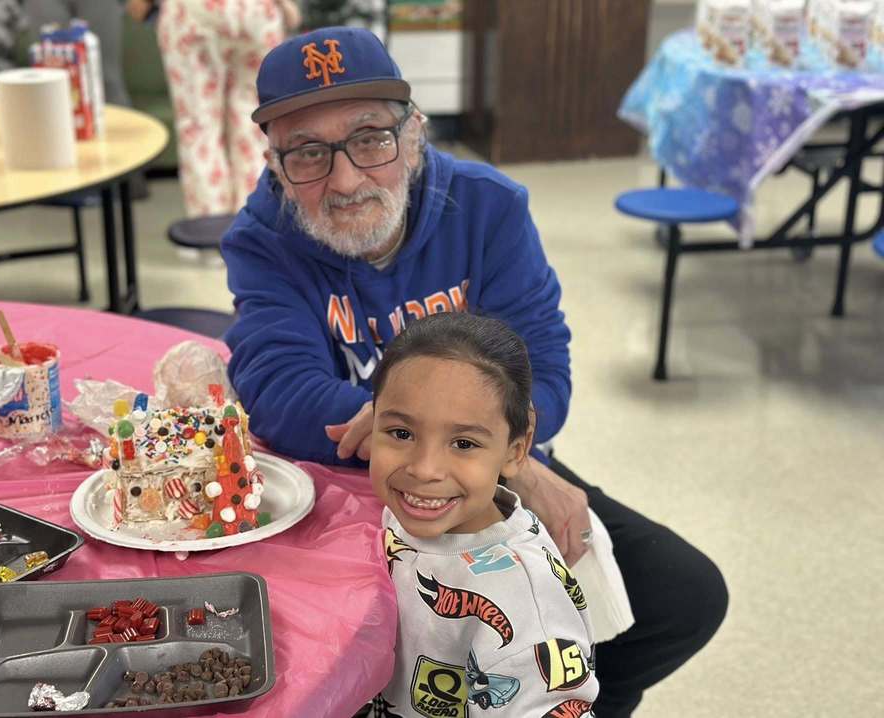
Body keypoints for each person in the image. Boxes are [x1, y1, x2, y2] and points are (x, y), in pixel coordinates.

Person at [222, 26, 728, 716]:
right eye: (307, 153)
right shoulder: (262, 238)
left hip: (490, 468)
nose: (344, 179)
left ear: (414, 132)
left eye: (370, 138)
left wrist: (477, 455)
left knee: (681, 595)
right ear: (276, 165)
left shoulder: (489, 206)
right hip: (353, 493)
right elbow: (279, 391)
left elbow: (544, 370)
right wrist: (439, 435)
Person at [366, 311, 599, 717]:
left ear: (515, 450)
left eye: (463, 443)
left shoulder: (528, 615)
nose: (424, 469)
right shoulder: (407, 511)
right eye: (402, 434)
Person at [130, 0, 300, 217]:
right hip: (256, 12)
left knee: (199, 128)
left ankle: (210, 236)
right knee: (256, 128)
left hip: (192, 13)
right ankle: (255, 230)